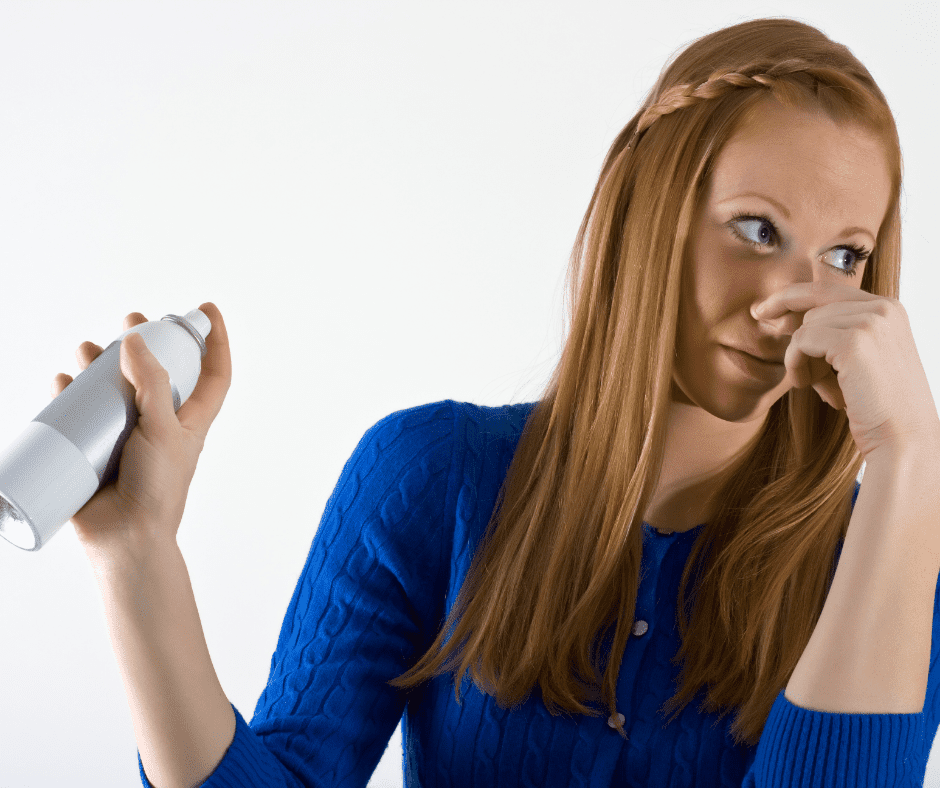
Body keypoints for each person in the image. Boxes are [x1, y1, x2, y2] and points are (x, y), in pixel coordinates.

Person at [58, 16, 940, 788]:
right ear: (650, 213)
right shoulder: (430, 481)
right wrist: (137, 556)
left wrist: (910, 460)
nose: (794, 302)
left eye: (845, 258)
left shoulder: (894, 567)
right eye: (758, 230)